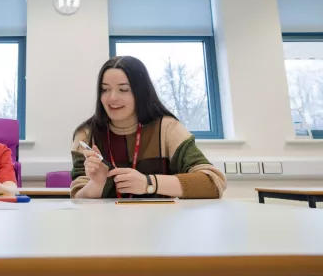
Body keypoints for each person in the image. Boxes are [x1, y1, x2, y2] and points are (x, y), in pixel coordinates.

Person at [70, 56, 226, 199]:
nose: (112, 98)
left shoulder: (167, 129)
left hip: (160, 225)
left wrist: (149, 183)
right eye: (105, 89)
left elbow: (213, 183)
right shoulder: (86, 135)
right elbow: (78, 200)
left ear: (141, 93)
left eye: (123, 89)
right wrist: (96, 184)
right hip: (104, 226)